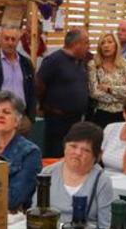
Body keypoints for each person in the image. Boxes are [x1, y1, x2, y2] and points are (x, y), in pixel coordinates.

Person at [43, 121, 114, 229]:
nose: (77, 153)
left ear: (96, 156)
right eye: (73, 146)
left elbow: (106, 227)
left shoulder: (102, 181)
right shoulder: (47, 173)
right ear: (65, 146)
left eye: (85, 150)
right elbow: (36, 213)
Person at [36, 28, 91, 157]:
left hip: (76, 119)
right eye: (86, 43)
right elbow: (39, 86)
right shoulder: (53, 61)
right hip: (57, 120)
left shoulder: (80, 61)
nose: (88, 47)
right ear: (76, 44)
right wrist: (45, 105)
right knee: (56, 154)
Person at [87, 32, 126, 128]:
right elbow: (94, 93)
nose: (106, 45)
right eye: (103, 43)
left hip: (123, 114)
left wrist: (110, 89)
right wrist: (122, 96)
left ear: (116, 45)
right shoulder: (93, 65)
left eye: (110, 42)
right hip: (102, 114)